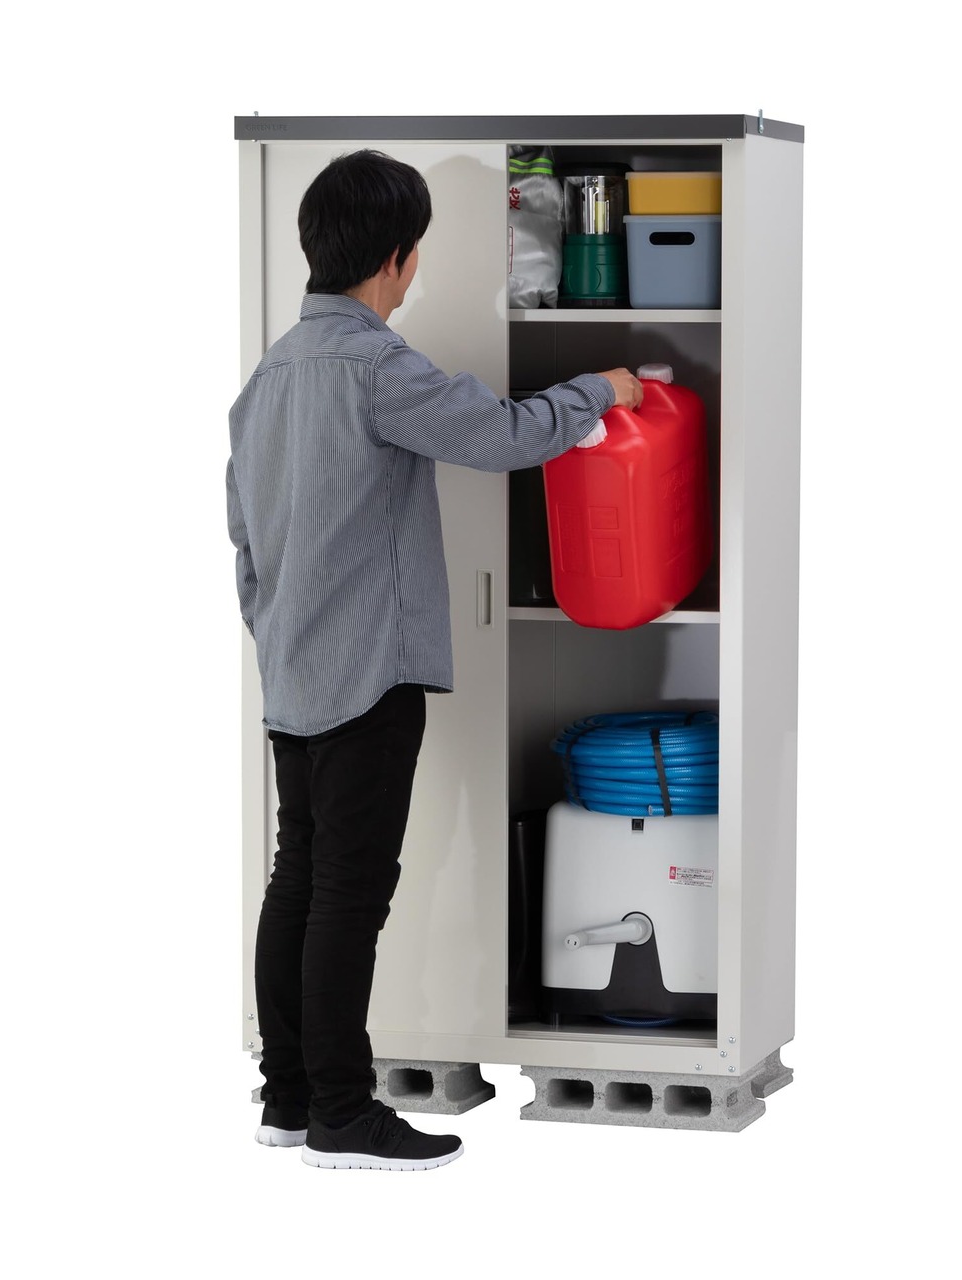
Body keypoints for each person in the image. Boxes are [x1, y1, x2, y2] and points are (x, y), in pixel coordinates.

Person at [225, 149, 642, 1172]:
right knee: (348, 892)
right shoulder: (376, 367)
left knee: (300, 876)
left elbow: (243, 540)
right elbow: (501, 435)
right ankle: (342, 1113)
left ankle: (289, 1100)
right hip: (369, 674)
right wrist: (602, 386)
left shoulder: (269, 374)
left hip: (293, 672)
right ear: (397, 261)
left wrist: (277, 636)